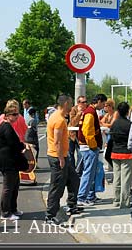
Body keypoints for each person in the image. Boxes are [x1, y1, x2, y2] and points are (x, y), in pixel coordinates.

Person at [45, 95, 82, 225]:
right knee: (57, 186)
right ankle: (50, 215)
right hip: (57, 157)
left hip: (62, 156)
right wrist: (61, 158)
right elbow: (57, 141)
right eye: (71, 103)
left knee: (74, 180)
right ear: (65, 103)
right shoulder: (59, 120)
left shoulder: (56, 116)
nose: (72, 106)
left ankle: (71, 205)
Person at [0, 101, 29, 220]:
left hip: (11, 160)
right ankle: (5, 212)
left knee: (15, 185)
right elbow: (12, 143)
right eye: (14, 114)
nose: (16, 116)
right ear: (7, 115)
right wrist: (22, 146)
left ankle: (13, 209)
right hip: (6, 160)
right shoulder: (6, 126)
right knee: (8, 187)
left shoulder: (8, 126)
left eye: (17, 114)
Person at [77, 94, 107, 206]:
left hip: (87, 147)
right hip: (89, 148)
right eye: (103, 103)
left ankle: (88, 196)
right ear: (98, 101)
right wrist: (93, 145)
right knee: (88, 173)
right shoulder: (90, 112)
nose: (104, 106)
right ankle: (81, 197)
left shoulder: (89, 111)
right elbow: (87, 131)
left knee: (89, 173)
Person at [110, 102, 132, 208]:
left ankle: (116, 200)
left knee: (117, 177)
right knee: (126, 179)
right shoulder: (129, 124)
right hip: (127, 154)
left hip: (115, 153)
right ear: (127, 111)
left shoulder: (114, 124)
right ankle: (124, 201)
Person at [68, 96, 88, 169]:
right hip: (72, 135)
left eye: (86, 102)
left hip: (81, 136)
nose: (85, 104)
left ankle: (78, 171)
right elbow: (73, 123)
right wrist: (79, 113)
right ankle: (72, 171)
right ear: (78, 103)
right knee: (70, 154)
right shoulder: (74, 109)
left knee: (81, 154)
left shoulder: (88, 110)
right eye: (83, 102)